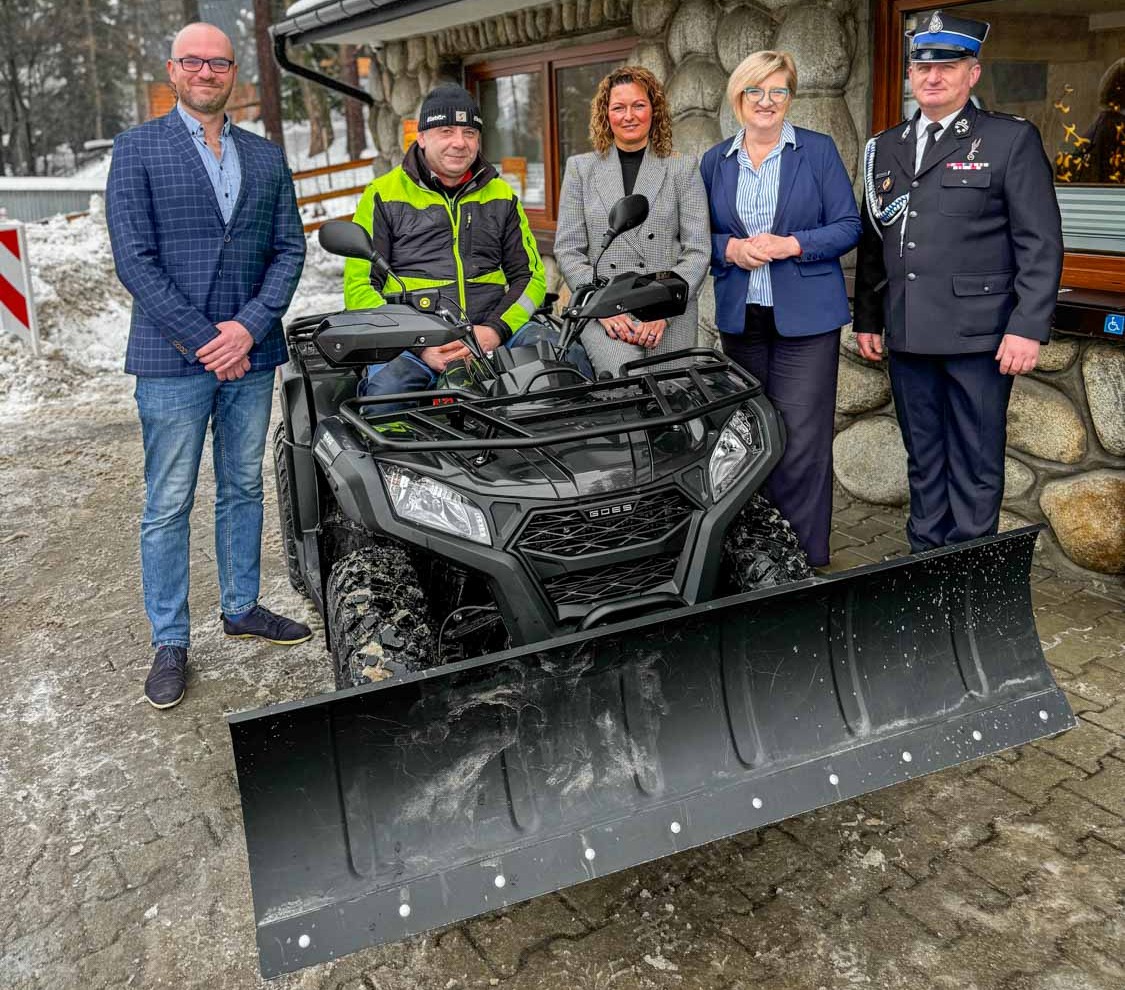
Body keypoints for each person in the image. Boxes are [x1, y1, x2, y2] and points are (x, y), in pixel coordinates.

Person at [107, 23, 309, 711]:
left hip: (251, 354)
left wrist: (247, 328)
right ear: (172, 70)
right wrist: (205, 340)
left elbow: (288, 249)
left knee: (242, 487)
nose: (205, 72)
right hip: (171, 359)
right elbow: (135, 259)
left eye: (218, 62)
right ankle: (170, 639)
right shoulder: (137, 149)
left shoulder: (266, 156)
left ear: (233, 73)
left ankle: (241, 606)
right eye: (192, 61)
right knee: (167, 502)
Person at [853, 11, 1063, 552]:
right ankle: (925, 567)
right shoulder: (887, 146)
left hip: (979, 337)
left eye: (947, 66)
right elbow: (875, 241)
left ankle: (972, 580)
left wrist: (1027, 326)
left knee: (975, 464)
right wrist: (868, 318)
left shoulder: (1008, 139)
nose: (933, 77)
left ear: (973, 73)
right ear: (910, 75)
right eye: (922, 66)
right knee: (923, 460)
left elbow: (1039, 242)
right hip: (908, 332)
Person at [700, 51, 860, 568]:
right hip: (742, 317)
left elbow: (848, 226)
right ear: (738, 97)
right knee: (749, 434)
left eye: (777, 92)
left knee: (802, 438)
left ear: (790, 97)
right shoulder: (715, 161)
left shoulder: (817, 151)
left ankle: (804, 555)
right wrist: (730, 249)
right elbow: (697, 236)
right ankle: (757, 555)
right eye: (755, 91)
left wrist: (792, 244)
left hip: (807, 318)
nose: (765, 102)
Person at [345, 84, 551, 398]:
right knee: (388, 393)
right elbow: (359, 289)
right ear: (422, 137)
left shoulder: (502, 195)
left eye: (470, 132)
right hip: (410, 345)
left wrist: (495, 330)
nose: (459, 143)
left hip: (491, 333)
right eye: (446, 131)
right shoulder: (382, 195)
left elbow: (531, 276)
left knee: (560, 361)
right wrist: (418, 342)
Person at [554, 65, 709, 377]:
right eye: (618, 108)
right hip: (606, 315)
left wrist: (664, 310)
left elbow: (698, 250)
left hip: (669, 312)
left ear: (654, 110)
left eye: (638, 105)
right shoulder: (581, 169)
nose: (629, 116)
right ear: (605, 114)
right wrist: (599, 305)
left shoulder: (682, 169)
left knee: (671, 397)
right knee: (625, 388)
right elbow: (568, 249)